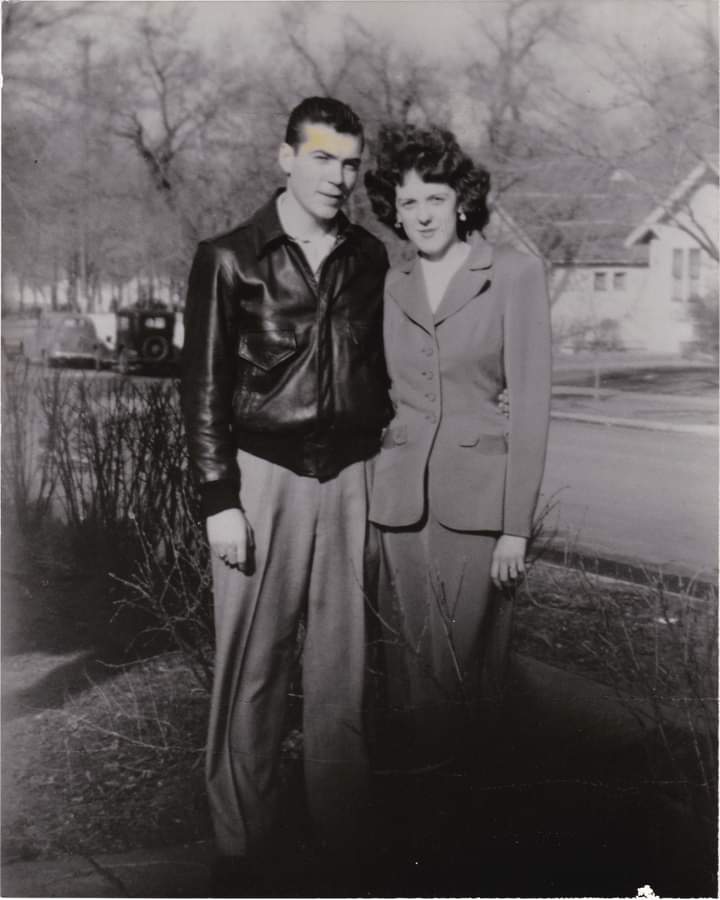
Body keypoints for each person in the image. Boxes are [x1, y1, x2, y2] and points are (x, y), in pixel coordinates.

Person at [180, 97, 393, 886]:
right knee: (255, 665)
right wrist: (218, 499)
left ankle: (342, 838)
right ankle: (246, 842)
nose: (339, 177)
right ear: (285, 158)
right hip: (261, 478)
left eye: (349, 162)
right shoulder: (231, 256)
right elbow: (202, 386)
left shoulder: (370, 258)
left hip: (350, 477)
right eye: (323, 159)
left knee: (343, 666)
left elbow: (387, 367)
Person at [364, 125, 552, 769]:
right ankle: (419, 830)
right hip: (396, 508)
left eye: (435, 199)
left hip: (477, 511)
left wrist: (516, 529)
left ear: (462, 201)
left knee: (465, 675)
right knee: (408, 671)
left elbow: (530, 405)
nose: (420, 214)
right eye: (408, 201)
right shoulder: (391, 284)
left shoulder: (515, 275)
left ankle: (463, 835)